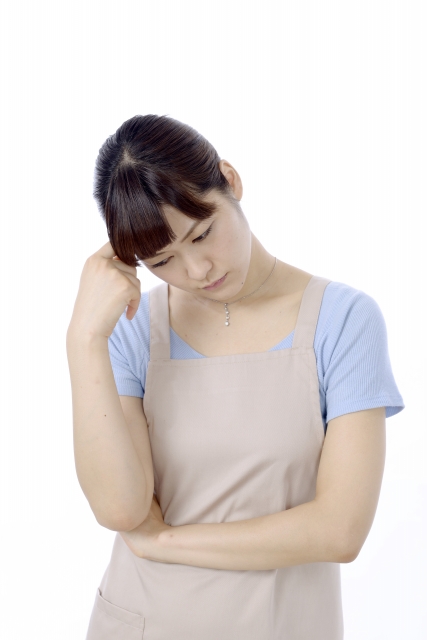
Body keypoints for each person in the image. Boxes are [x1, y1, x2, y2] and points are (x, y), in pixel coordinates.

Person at [66, 114, 405, 640]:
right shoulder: (133, 330)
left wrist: (166, 541)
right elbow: (121, 507)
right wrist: (84, 339)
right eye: (162, 261)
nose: (197, 270)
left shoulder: (342, 320)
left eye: (203, 233)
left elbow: (341, 530)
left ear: (230, 179)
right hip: (142, 620)